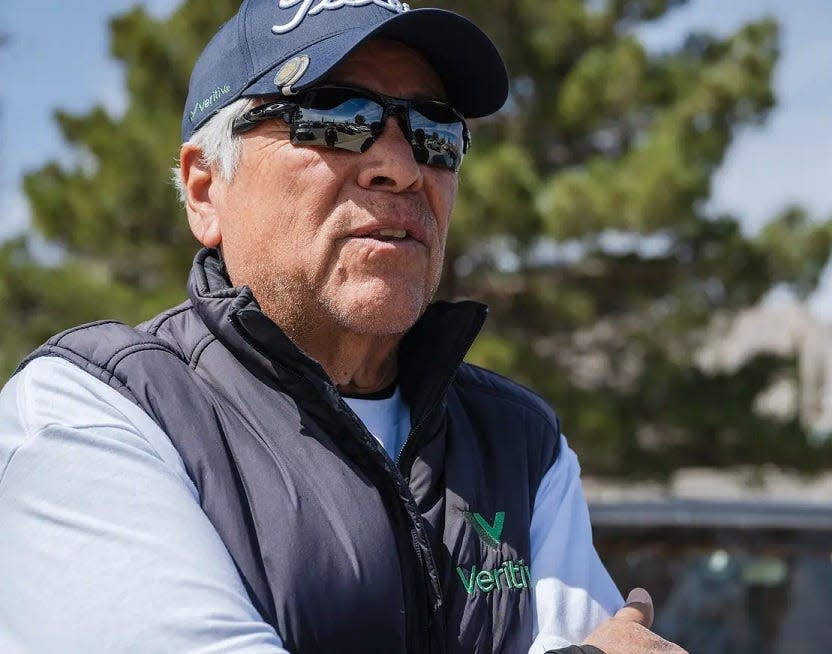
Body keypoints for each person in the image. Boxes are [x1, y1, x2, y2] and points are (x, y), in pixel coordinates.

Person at [0, 2, 685, 653]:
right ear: (205, 191)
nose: (403, 167)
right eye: (333, 117)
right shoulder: (92, 414)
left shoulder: (519, 443)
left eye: (434, 131)